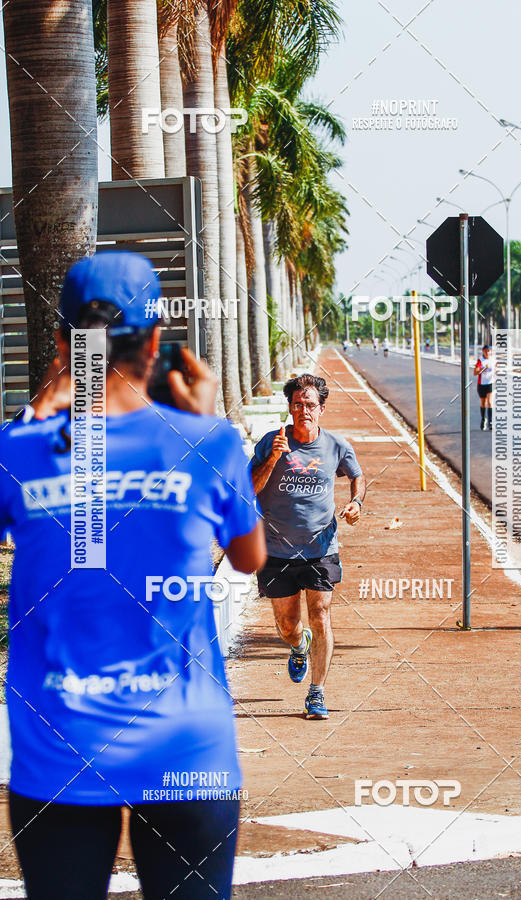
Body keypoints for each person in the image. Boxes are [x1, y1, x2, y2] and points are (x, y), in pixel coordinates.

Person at [3, 252, 266, 900]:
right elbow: (250, 558)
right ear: (154, 343)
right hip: (184, 752)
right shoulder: (209, 442)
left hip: (61, 751)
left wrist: (43, 405)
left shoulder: (19, 451)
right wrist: (205, 424)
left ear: (64, 343)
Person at [250, 374, 366, 720]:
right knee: (289, 626)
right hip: (276, 551)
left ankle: (317, 694)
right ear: (289, 408)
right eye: (298, 404)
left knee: (321, 614)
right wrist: (272, 459)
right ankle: (298, 647)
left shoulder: (336, 445)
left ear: (322, 409)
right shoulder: (272, 442)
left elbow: (356, 475)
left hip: (321, 546)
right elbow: (249, 489)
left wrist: (356, 503)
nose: (304, 410)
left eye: (310, 405)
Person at [474, 344, 495, 431]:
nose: (487, 352)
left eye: (489, 351)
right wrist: (483, 368)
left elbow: (496, 370)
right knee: (483, 403)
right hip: (482, 384)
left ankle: (490, 422)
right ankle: (483, 419)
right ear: (483, 351)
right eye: (485, 350)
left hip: (490, 384)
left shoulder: (494, 360)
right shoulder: (480, 360)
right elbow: (475, 373)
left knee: (490, 402)